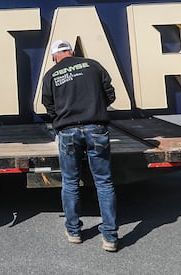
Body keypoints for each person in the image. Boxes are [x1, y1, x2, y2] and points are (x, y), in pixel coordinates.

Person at [41, 39, 118, 252]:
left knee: (70, 182)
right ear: (72, 52)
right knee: (104, 182)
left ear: (55, 56)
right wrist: (93, 108)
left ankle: (74, 232)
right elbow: (110, 94)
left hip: (67, 132)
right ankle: (110, 237)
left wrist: (64, 117)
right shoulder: (92, 65)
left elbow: (49, 107)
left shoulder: (51, 75)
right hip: (96, 128)